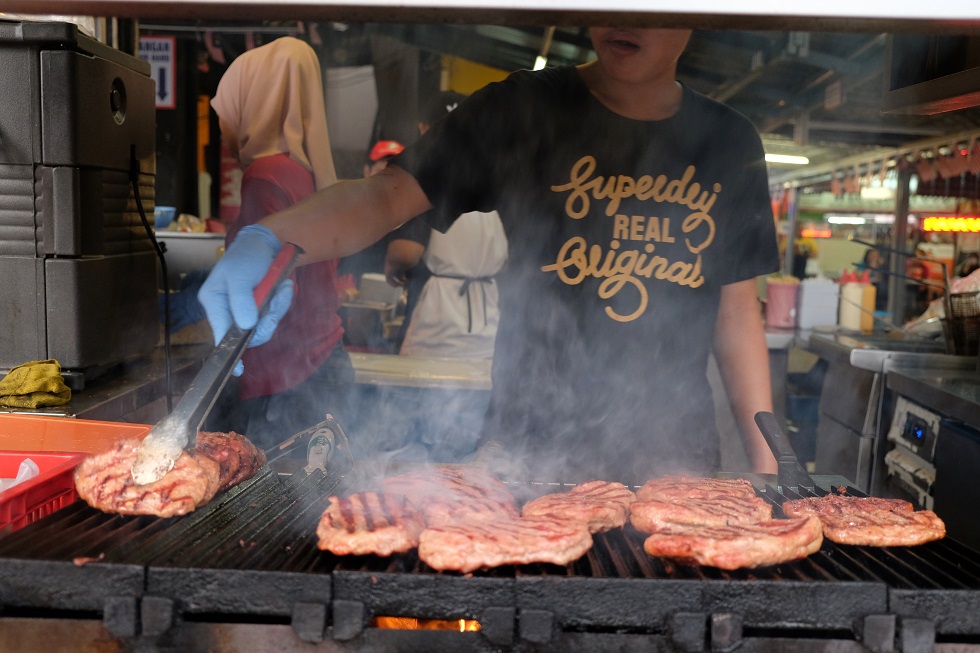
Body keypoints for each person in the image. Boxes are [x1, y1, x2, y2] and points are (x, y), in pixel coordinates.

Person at [199, 28, 780, 484]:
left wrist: (768, 462)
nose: (621, 18)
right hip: (525, 453)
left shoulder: (729, 142)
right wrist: (273, 236)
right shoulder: (523, 109)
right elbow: (386, 197)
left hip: (671, 459)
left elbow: (735, 312)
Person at [203, 36, 353, 449]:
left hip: (284, 385)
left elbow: (261, 294)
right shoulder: (309, 173)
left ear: (253, 101)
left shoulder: (266, 175)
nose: (223, 124)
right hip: (324, 366)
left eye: (225, 110)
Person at [385, 91, 509, 359]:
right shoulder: (495, 177)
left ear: (424, 129)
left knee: (426, 399)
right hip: (486, 326)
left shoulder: (427, 180)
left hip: (436, 328)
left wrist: (393, 265)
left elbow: (406, 252)